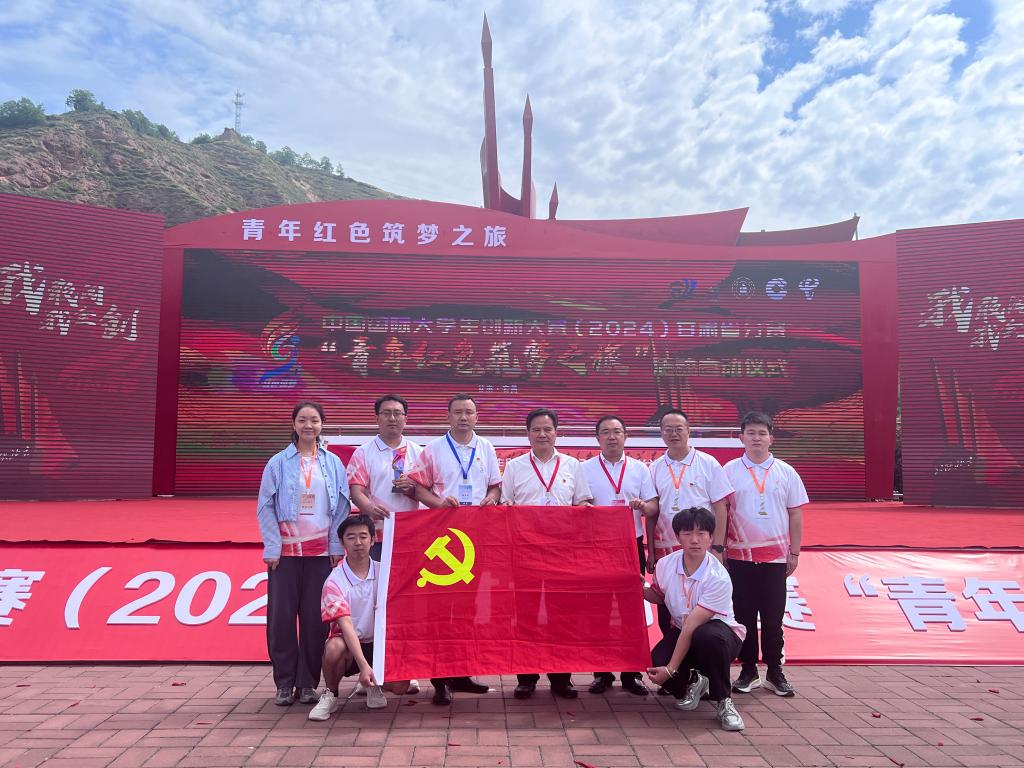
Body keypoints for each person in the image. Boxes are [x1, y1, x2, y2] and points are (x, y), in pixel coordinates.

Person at [407, 393, 502, 705]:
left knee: (468, 608)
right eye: (458, 412)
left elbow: (495, 485)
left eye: (469, 412)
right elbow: (416, 487)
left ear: (477, 417)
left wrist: (491, 498)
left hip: (477, 535)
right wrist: (438, 504)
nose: (463, 417)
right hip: (443, 538)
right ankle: (441, 679)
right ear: (448, 416)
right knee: (442, 609)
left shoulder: (486, 447)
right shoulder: (433, 449)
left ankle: (462, 672)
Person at [257, 401, 350, 706]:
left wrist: (335, 546)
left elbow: (342, 506)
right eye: (302, 420)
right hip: (285, 554)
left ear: (322, 425)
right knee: (281, 619)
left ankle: (308, 683)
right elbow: (265, 506)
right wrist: (272, 546)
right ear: (293, 424)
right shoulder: (278, 463)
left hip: (320, 554)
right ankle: (284, 683)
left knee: (314, 620)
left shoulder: (333, 463)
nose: (308, 426)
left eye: (314, 420)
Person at [501, 407, 593, 700]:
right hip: (525, 551)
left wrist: (587, 510)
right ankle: (526, 677)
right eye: (536, 430)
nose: (542, 434)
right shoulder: (514, 467)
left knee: (561, 616)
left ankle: (561, 677)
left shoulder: (572, 465)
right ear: (527, 434)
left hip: (562, 552)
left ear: (556, 432)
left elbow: (582, 502)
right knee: (526, 615)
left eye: (547, 429)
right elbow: (505, 505)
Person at [724, 411, 808, 698]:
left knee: (773, 618)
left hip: (775, 558)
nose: (756, 438)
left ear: (771, 438)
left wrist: (794, 552)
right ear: (741, 438)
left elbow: (795, 514)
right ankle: (748, 670)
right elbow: (721, 511)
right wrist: (720, 550)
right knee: (743, 616)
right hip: (739, 557)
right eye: (751, 433)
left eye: (762, 433)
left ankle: (775, 671)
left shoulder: (786, 472)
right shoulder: (729, 470)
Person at [345, 394, 423, 696]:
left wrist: (414, 489)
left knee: (406, 607)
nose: (393, 418)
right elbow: (356, 490)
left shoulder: (418, 452)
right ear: (377, 418)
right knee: (375, 605)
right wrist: (368, 508)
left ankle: (405, 670)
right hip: (376, 540)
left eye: (398, 413)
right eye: (387, 413)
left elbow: (427, 490)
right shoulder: (364, 452)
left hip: (409, 540)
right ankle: (369, 672)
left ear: (406, 418)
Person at [644, 506, 746, 732]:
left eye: (701, 533)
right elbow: (659, 596)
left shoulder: (718, 576)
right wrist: (639, 587)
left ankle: (724, 701)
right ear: (677, 536)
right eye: (687, 533)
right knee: (656, 662)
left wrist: (671, 669)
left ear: (711, 537)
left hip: (720, 633)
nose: (695, 540)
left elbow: (693, 624)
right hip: (684, 630)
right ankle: (696, 682)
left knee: (707, 636)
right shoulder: (665, 564)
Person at [580, 415, 657, 697]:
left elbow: (653, 506)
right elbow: (578, 503)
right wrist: (585, 506)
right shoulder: (584, 469)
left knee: (630, 610)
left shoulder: (640, 469)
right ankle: (601, 672)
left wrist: (643, 506)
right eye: (605, 432)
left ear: (626, 436)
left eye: (617, 432)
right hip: (597, 546)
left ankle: (631, 673)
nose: (612, 437)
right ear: (597, 438)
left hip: (630, 545)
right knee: (598, 611)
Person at [647, 409, 732, 644]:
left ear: (688, 431)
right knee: (667, 606)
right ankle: (675, 656)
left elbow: (721, 507)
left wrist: (718, 547)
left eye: (679, 429)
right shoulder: (655, 467)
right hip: (667, 550)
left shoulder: (708, 463)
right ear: (661, 433)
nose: (673, 434)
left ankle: (702, 657)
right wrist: (651, 552)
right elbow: (652, 513)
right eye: (668, 429)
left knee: (700, 604)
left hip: (699, 548)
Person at [311, 514, 405, 720]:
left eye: (363, 536)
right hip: (348, 645)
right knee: (333, 648)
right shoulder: (334, 581)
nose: (358, 542)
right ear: (342, 542)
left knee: (400, 687)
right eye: (351, 537)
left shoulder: (385, 573)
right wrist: (364, 666)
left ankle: (372, 686)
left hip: (378, 644)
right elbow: (346, 626)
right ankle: (331, 694)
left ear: (373, 540)